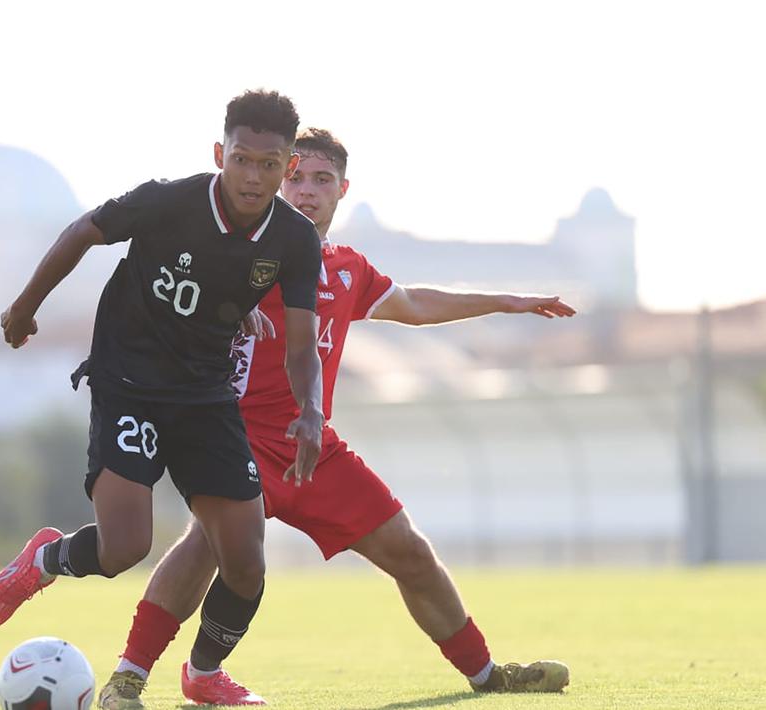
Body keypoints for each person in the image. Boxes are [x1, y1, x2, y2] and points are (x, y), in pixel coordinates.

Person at [97, 128, 575, 708]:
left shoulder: (346, 269)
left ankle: (486, 674)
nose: (306, 191)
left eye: (322, 180)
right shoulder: (244, 250)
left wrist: (505, 301)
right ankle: (128, 678)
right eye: (295, 177)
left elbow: (416, 303)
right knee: (205, 545)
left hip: (311, 446)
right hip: (232, 432)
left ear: (343, 190)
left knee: (410, 553)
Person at [0, 91, 326, 700]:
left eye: (269, 165)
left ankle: (201, 675)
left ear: (288, 168)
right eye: (242, 159)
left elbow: (302, 345)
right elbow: (83, 230)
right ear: (221, 153)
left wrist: (310, 412)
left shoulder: (295, 239)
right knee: (124, 549)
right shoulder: (170, 200)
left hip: (204, 396)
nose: (253, 176)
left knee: (246, 561)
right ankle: (44, 561)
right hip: (129, 384)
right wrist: (24, 308)